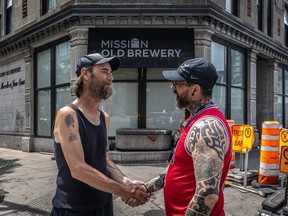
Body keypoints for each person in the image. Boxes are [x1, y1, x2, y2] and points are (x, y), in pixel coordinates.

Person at [50, 53, 150, 216]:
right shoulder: (68, 115)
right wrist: (124, 191)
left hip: (103, 205)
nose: (110, 78)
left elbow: (105, 160)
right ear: (86, 74)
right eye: (104, 71)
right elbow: (78, 168)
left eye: (111, 73)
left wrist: (127, 182)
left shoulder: (104, 117)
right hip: (72, 209)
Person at [143, 58, 232, 216]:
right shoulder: (195, 120)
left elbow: (207, 195)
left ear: (194, 91)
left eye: (178, 84)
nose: (173, 88)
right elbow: (178, 167)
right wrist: (145, 189)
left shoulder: (206, 128)